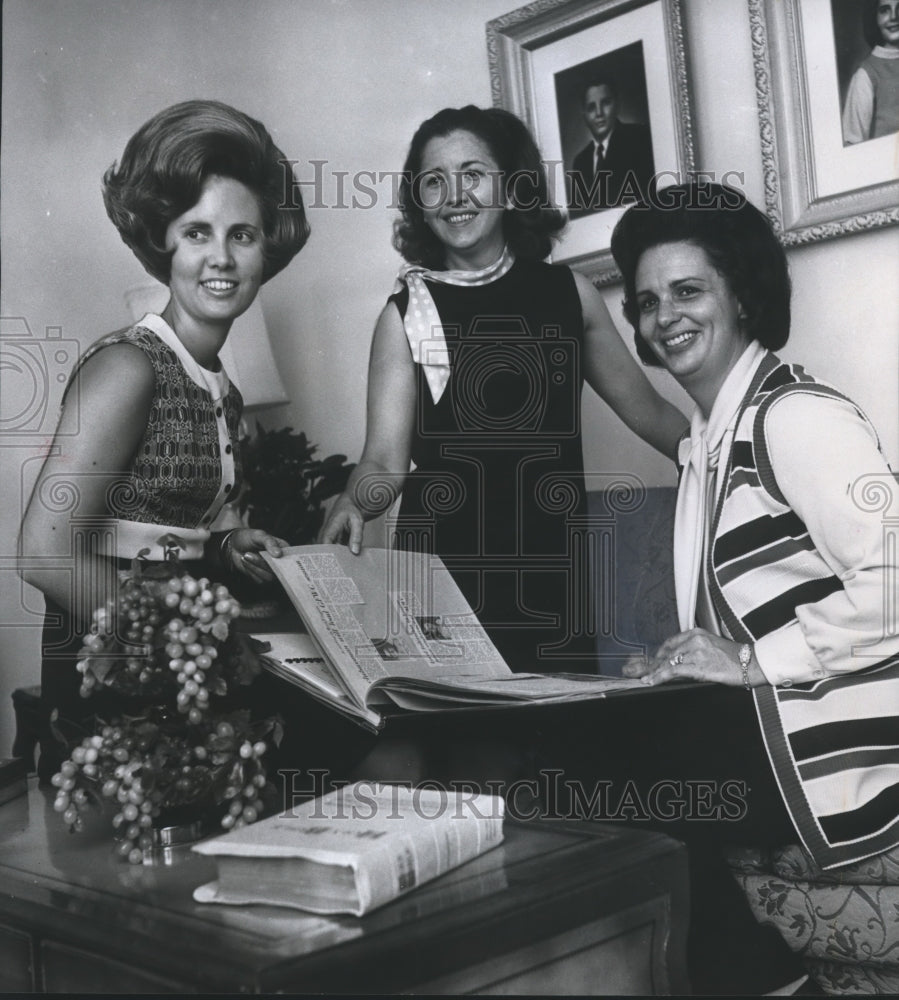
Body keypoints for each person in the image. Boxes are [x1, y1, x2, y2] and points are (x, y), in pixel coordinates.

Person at [540, 180, 899, 993]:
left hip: (849, 734)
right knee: (590, 756)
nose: (663, 316)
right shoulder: (709, 442)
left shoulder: (792, 418)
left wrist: (747, 663)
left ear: (740, 295)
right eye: (645, 300)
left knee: (594, 775)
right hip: (785, 716)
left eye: (688, 290)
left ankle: (767, 984)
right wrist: (678, 667)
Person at [321, 105, 687, 675]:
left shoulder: (572, 294)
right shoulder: (405, 315)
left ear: (512, 188)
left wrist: (731, 460)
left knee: (554, 747)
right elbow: (384, 460)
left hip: (549, 562)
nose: (454, 194)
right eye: (433, 181)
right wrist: (353, 502)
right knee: (463, 748)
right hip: (440, 568)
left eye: (472, 173)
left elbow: (650, 412)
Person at [18, 99, 309, 781]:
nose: (221, 257)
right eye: (196, 232)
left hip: (183, 659)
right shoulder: (128, 365)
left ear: (268, 247)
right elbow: (43, 552)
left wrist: (234, 542)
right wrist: (164, 643)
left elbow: (174, 521)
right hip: (110, 656)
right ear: (163, 244)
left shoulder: (219, 384)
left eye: (242, 235)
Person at [567, 75, 655, 217]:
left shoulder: (640, 138)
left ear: (617, 104)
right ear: (584, 115)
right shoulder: (580, 162)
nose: (599, 113)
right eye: (591, 108)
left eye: (606, 103)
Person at [842, 0, 899, 144]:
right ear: (874, 18)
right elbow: (853, 143)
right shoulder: (865, 75)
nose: (894, 16)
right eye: (885, 10)